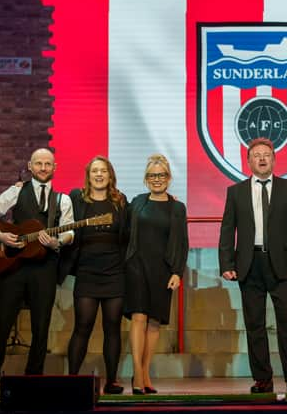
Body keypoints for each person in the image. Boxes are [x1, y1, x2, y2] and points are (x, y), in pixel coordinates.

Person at [0, 148, 74, 395]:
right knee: (2, 322)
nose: (43, 168)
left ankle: (33, 380)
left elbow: (69, 232)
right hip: (15, 266)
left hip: (45, 268)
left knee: (41, 326)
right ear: (30, 166)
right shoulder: (16, 191)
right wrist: (0, 235)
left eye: (48, 164)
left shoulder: (63, 200)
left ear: (55, 168)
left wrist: (57, 242)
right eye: (38, 163)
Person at [219, 137, 287, 394]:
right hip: (249, 264)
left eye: (266, 155)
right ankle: (263, 379)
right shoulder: (235, 191)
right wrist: (226, 263)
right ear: (248, 161)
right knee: (255, 326)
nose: (261, 158)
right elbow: (228, 230)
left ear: (273, 159)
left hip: (282, 265)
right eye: (256, 155)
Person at [61, 156, 128, 394]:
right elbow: (60, 212)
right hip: (87, 272)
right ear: (88, 176)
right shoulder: (77, 199)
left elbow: (127, 234)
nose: (99, 175)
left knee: (112, 328)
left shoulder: (120, 201)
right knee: (83, 326)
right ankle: (72, 379)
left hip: (114, 273)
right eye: (94, 171)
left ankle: (112, 381)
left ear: (110, 176)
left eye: (104, 171)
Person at [124, 154, 188, 395]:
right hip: (137, 266)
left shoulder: (177, 208)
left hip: (163, 270)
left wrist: (177, 272)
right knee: (139, 317)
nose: (157, 179)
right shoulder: (137, 203)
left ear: (169, 178)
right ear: (146, 179)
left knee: (154, 323)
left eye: (161, 175)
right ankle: (138, 375)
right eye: (152, 176)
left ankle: (145, 372)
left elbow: (182, 243)